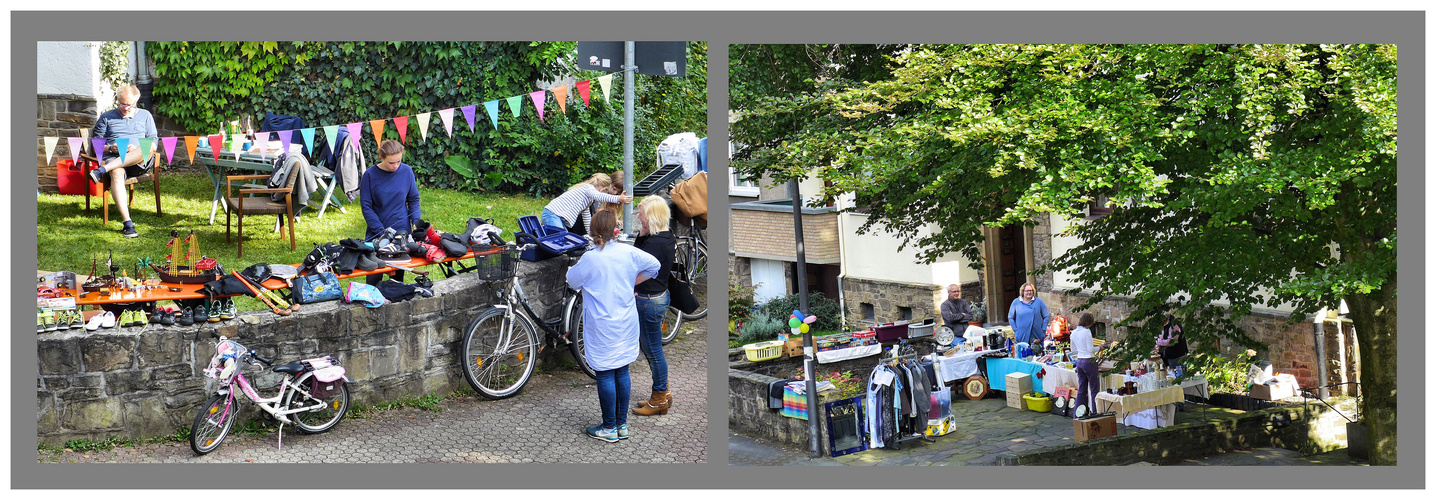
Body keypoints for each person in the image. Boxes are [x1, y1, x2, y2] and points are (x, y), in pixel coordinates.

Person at [566, 210, 661, 442]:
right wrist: (632, 280)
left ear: (593, 230)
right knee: (622, 370)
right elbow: (655, 266)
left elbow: (572, 281)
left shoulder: (591, 257)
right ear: (615, 229)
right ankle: (622, 425)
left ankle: (609, 427)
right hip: (626, 321)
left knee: (605, 372)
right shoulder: (628, 251)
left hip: (601, 324)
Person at [88, 85, 158, 238]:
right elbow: (97, 148)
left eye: (129, 104)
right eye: (122, 103)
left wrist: (137, 148)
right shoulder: (106, 117)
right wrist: (111, 149)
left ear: (136, 102)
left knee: (147, 146)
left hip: (139, 162)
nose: (125, 108)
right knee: (117, 172)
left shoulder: (145, 116)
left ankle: (101, 171)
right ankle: (128, 224)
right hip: (115, 158)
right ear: (117, 100)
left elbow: (154, 143)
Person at [631, 196, 675, 416]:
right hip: (659, 296)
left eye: (641, 214)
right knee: (653, 349)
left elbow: (636, 263)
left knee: (653, 351)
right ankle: (663, 393)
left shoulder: (654, 244)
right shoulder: (665, 236)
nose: (638, 217)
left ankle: (658, 399)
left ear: (651, 216)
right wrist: (641, 233)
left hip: (649, 301)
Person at [359, 139, 422, 285]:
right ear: (382, 158)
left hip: (402, 232)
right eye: (391, 163)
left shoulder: (406, 171)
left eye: (398, 161)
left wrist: (416, 222)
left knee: (396, 282)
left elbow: (413, 199)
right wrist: (381, 232)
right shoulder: (370, 175)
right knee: (374, 280)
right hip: (377, 234)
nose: (395, 166)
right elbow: (366, 207)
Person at [542, 173, 631, 235]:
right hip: (552, 214)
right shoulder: (588, 188)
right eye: (605, 190)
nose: (605, 192)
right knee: (560, 237)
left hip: (555, 216)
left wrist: (590, 235)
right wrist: (619, 198)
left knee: (564, 237)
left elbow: (587, 217)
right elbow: (599, 196)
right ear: (602, 189)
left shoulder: (587, 199)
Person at [1071, 312, 1100, 416]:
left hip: (1080, 361)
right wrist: (1099, 348)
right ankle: (1095, 412)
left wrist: (1085, 352)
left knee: (1082, 389)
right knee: (1094, 389)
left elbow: (1073, 349)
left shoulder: (1074, 332)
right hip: (1089, 362)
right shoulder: (1087, 332)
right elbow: (1091, 349)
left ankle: (1077, 414)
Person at [1007, 282, 1051, 347]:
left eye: (1031, 290)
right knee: (1023, 354)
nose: (1029, 292)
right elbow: (1010, 317)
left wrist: (1043, 329)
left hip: (1036, 335)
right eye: (1027, 291)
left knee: (1037, 355)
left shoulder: (1039, 302)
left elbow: (1046, 316)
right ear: (1023, 292)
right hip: (1022, 335)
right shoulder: (1016, 302)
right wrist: (1016, 330)